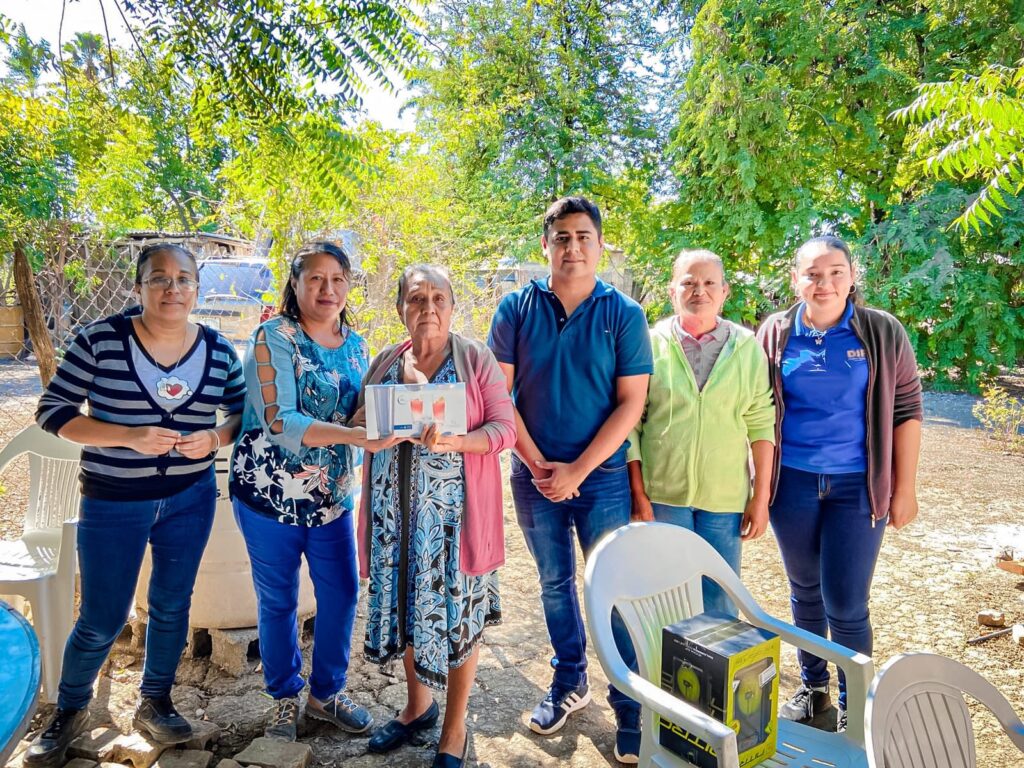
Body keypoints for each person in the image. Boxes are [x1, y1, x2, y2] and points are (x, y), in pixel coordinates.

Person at [29, 243, 246, 767]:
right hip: (112, 501)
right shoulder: (100, 341)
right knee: (102, 617)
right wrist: (125, 435)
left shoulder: (218, 352)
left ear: (198, 287)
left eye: (183, 279)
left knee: (173, 606)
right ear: (139, 286)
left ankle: (156, 701)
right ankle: (71, 708)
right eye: (159, 279)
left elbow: (240, 414)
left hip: (189, 501)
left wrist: (216, 439)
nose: (172, 289)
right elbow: (51, 411)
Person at [487, 196, 653, 764]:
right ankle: (568, 683)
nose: (572, 247)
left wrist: (578, 469)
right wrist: (537, 466)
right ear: (545, 246)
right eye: (561, 237)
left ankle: (630, 705)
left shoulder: (623, 314)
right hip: (532, 475)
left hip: (602, 477)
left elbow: (632, 404)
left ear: (600, 244)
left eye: (583, 236)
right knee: (555, 583)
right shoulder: (514, 308)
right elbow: (500, 398)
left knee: (611, 589)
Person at [757, 235, 923, 734]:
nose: (823, 282)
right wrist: (757, 488)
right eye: (812, 273)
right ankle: (814, 690)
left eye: (835, 272)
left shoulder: (881, 332)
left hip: (858, 486)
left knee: (846, 601)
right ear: (795, 280)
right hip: (793, 485)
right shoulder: (775, 333)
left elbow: (908, 409)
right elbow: (756, 412)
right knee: (805, 592)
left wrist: (904, 487)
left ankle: (856, 705)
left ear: (852, 277)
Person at [357, 264, 515, 768]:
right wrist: (366, 421)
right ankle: (417, 708)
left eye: (438, 298)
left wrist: (455, 440)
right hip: (395, 522)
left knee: (457, 618)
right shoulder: (386, 360)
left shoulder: (474, 359)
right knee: (409, 609)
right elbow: (360, 421)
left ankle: (454, 728)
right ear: (400, 307)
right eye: (416, 298)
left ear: (452, 306)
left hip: (454, 529)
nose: (427, 308)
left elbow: (504, 430)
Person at [230, 241, 387, 741]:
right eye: (315, 278)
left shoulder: (359, 345)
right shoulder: (272, 336)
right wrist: (355, 434)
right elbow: (281, 421)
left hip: (332, 496)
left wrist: (386, 417)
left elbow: (358, 410)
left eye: (337, 278)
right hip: (268, 492)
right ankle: (282, 698)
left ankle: (325, 695)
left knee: (341, 593)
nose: (327, 288)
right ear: (294, 284)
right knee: (278, 601)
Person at [627, 249, 775, 615]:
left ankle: (713, 673)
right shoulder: (649, 344)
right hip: (664, 496)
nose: (700, 291)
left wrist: (761, 496)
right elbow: (632, 422)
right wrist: (638, 491)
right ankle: (662, 672)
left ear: (724, 292)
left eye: (710, 283)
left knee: (719, 599)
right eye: (689, 283)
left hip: (723, 501)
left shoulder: (747, 347)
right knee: (665, 596)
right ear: (671, 290)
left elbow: (760, 422)